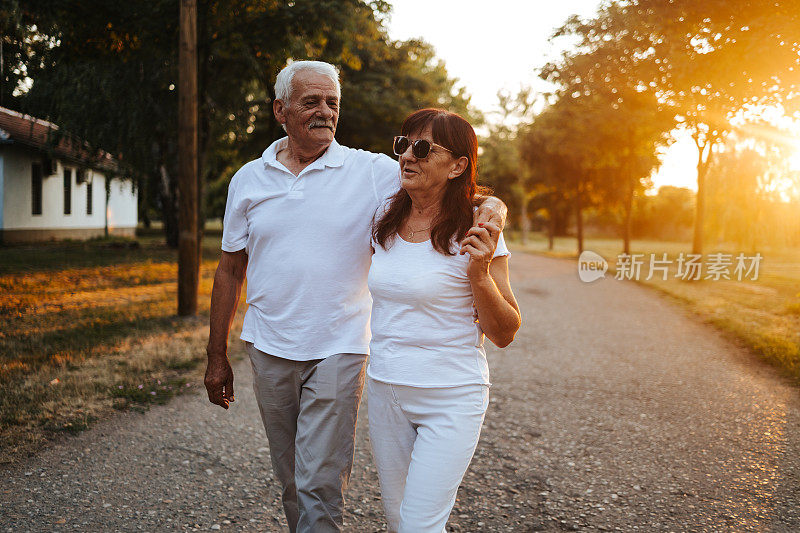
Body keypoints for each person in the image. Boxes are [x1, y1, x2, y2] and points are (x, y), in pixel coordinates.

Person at [203, 60, 507, 533]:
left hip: (341, 345)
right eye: (312, 102)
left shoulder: (370, 171)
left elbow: (452, 185)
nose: (325, 111)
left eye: (332, 103)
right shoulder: (247, 179)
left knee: (319, 478)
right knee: (291, 477)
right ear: (280, 110)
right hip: (268, 343)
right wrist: (215, 354)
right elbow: (229, 270)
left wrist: (494, 209)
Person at [367, 108, 521, 533]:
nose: (406, 156)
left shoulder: (478, 227)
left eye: (422, 148)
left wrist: (479, 272)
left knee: (420, 524)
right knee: (400, 521)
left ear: (458, 166)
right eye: (402, 145)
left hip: (452, 395)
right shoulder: (383, 216)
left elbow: (505, 331)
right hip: (386, 391)